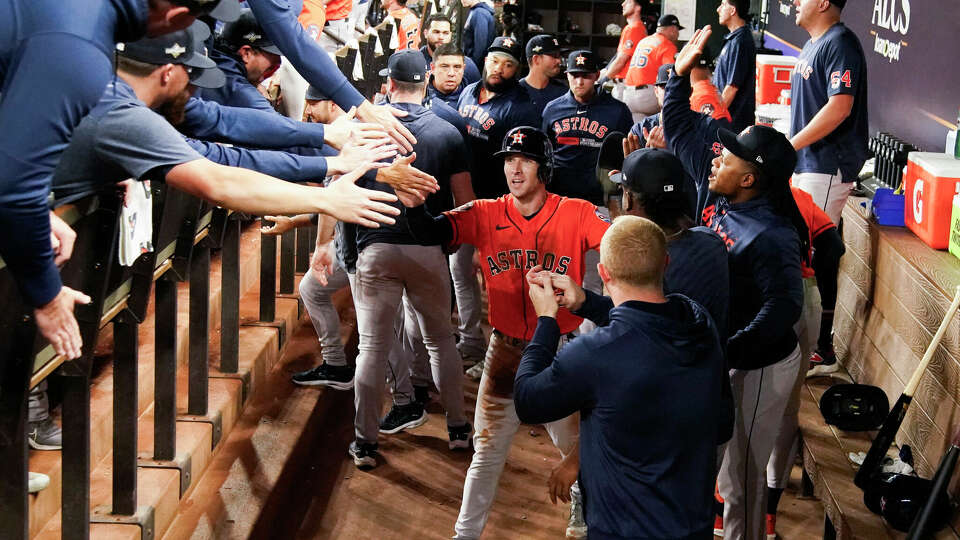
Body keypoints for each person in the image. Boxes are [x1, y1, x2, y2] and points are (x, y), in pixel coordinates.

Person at [0, 0, 239, 361]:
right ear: (175, 17)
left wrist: (37, 209)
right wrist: (47, 297)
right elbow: (14, 189)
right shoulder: (80, 49)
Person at [404, 126, 610, 540]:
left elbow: (621, 246)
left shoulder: (576, 212)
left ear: (543, 167)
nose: (514, 169)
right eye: (508, 161)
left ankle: (584, 510)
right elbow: (430, 230)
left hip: (561, 351)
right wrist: (413, 205)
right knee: (486, 452)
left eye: (525, 160)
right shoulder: (485, 212)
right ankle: (465, 534)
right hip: (506, 350)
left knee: (577, 445)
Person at [51, 25, 426, 233]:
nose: (196, 85)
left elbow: (224, 125)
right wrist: (325, 198)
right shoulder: (127, 117)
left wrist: (325, 143)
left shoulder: (94, 83)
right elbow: (220, 178)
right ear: (168, 73)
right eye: (191, 74)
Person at [662, 27, 807, 540]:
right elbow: (677, 120)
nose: (718, 157)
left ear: (750, 178)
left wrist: (733, 349)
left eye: (730, 157)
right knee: (721, 467)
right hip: (725, 350)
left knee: (742, 475)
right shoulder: (725, 191)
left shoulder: (772, 233)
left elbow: (787, 304)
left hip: (760, 364)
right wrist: (676, 74)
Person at [515, 215, 725, 540]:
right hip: (693, 525)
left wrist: (546, 320)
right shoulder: (698, 321)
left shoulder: (593, 355)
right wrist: (585, 302)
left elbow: (528, 401)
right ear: (665, 263)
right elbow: (645, 321)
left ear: (603, 272)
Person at [347, 50, 472, 469]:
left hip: (376, 248)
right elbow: (466, 204)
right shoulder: (448, 130)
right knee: (440, 340)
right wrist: (450, 240)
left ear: (388, 86)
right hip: (427, 252)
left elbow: (339, 185)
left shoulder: (366, 130)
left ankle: (365, 443)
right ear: (427, 82)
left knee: (372, 349)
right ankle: (457, 428)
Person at [456, 36, 539, 378]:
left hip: (496, 206)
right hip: (463, 200)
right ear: (486, 58)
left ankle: (501, 354)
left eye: (508, 65)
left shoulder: (520, 106)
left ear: (517, 70)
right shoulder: (469, 89)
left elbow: (522, 169)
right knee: (461, 272)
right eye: (495, 60)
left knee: (501, 283)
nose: (499, 69)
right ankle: (470, 339)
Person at [789, 0, 868, 226]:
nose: (795, 1)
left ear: (823, 3)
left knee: (810, 248)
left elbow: (840, 107)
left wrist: (790, 145)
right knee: (801, 245)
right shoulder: (813, 43)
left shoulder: (840, 42)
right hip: (807, 162)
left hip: (825, 166)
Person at [542, 50, 633, 206]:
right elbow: (544, 153)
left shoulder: (618, 111)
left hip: (600, 197)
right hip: (559, 195)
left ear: (597, 75)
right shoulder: (552, 109)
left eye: (586, 76)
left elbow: (628, 155)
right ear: (567, 75)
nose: (579, 82)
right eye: (575, 75)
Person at [202, 9, 282, 111]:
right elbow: (276, 122)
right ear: (246, 53)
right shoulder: (239, 91)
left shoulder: (217, 56)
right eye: (272, 53)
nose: (278, 60)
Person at [622, 14, 681, 123]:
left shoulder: (644, 41)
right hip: (648, 96)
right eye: (678, 30)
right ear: (672, 29)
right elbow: (670, 73)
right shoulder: (667, 44)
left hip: (629, 94)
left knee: (640, 132)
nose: (678, 34)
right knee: (676, 108)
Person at [714, 0, 756, 132]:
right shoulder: (734, 38)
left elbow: (732, 88)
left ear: (733, 10)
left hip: (733, 122)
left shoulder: (740, 41)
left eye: (723, 4)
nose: (718, 9)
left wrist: (714, 118)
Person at [600, 0, 647, 102]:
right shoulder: (633, 28)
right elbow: (618, 56)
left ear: (638, 8)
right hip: (626, 84)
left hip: (625, 85)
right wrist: (606, 71)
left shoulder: (635, 28)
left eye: (628, 1)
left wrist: (604, 79)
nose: (623, 4)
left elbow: (622, 60)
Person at [420, 14, 481, 84]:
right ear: (426, 33)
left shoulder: (467, 64)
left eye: (445, 33)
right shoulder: (415, 62)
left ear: (451, 35)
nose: (441, 37)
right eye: (436, 32)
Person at [519, 34, 567, 115]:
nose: (559, 61)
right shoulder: (516, 92)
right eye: (554, 56)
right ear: (536, 59)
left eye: (559, 56)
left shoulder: (564, 93)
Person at [461, 0, 496, 69]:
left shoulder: (479, 13)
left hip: (476, 64)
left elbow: (480, 43)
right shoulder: (475, 11)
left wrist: (473, 65)